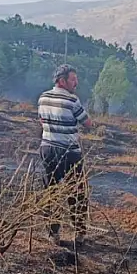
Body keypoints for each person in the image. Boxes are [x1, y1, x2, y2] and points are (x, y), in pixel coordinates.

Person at [38, 64, 92, 245]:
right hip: (69, 152)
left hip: (47, 149)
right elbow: (88, 123)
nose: (76, 83)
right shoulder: (72, 100)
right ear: (62, 81)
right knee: (77, 191)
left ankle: (53, 233)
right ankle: (79, 232)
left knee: (50, 191)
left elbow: (41, 121)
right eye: (73, 79)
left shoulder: (43, 98)